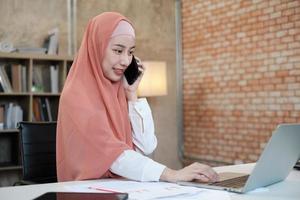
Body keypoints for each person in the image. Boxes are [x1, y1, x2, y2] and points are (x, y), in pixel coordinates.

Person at [56, 12, 219, 183]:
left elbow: (146, 146)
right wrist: (171, 174)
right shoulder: (76, 95)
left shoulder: (118, 90)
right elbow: (112, 155)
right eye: (118, 50)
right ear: (96, 48)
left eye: (130, 52)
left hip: (121, 187)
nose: (126, 61)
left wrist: (132, 95)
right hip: (86, 192)